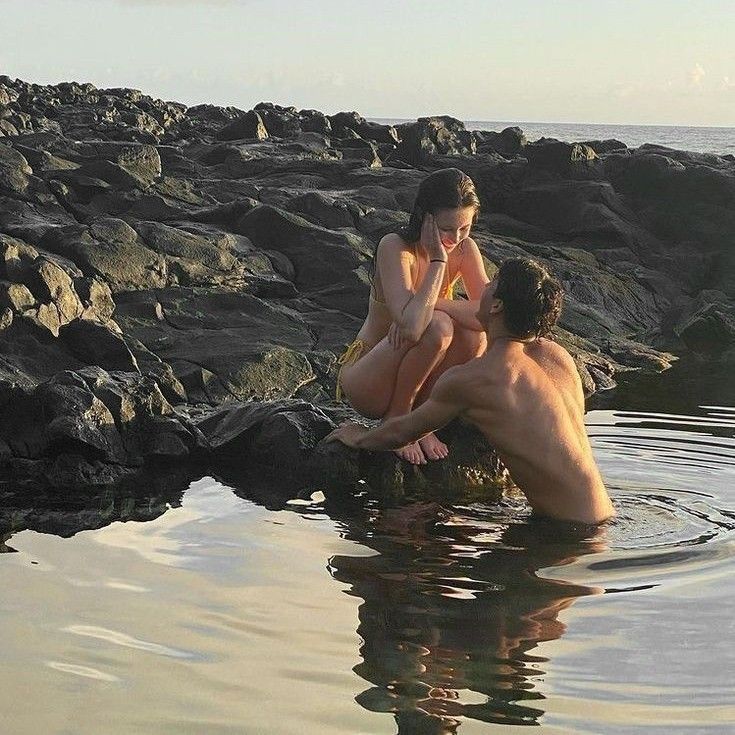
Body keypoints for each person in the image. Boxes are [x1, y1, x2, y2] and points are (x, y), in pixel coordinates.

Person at [327, 257, 615, 525]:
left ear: (497, 306)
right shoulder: (558, 356)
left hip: (564, 532)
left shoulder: (477, 379)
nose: (484, 287)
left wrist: (360, 437)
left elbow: (400, 433)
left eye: (492, 283)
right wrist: (436, 305)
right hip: (602, 515)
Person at [336, 168, 491, 465]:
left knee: (473, 334)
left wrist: (438, 304)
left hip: (418, 374)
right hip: (370, 378)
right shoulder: (395, 246)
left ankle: (423, 418)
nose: (455, 238)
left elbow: (487, 315)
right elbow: (410, 326)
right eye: (446, 229)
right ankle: (399, 418)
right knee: (438, 327)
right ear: (424, 217)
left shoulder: (465, 249)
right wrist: (437, 261)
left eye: (465, 228)